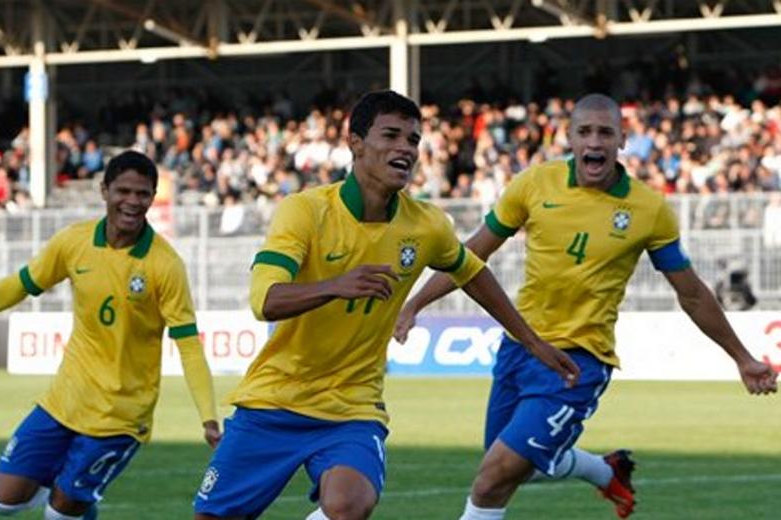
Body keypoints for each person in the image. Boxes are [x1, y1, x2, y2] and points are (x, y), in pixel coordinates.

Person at [192, 90, 579, 520]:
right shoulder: (304, 211)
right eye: (391, 135)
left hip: (352, 406)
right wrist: (336, 285)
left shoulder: (427, 224)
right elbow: (264, 299)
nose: (405, 149)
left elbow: (472, 273)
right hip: (273, 400)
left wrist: (531, 341)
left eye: (413, 140)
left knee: (349, 505)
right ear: (355, 143)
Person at [394, 93, 778, 520]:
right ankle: (604, 469)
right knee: (511, 469)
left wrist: (742, 357)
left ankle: (596, 470)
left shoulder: (648, 209)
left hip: (579, 361)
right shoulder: (533, 185)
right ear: (570, 138)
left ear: (622, 140)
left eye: (605, 133)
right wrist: (416, 304)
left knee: (492, 479)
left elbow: (691, 293)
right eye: (585, 132)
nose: (594, 142)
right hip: (521, 348)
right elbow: (471, 255)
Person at [0, 150, 220, 520]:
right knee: (0, 502)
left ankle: (73, 497)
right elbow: (19, 285)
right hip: (64, 401)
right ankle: (73, 490)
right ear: (104, 189)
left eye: (142, 194)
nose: (132, 202)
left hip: (120, 416)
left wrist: (208, 417)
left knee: (59, 514)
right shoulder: (73, 242)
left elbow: (188, 345)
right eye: (123, 190)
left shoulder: (164, 265)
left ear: (152, 196)